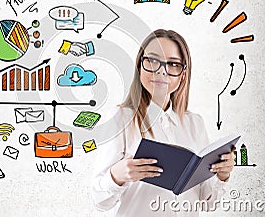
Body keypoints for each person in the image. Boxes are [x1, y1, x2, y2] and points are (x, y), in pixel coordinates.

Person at [92, 29, 235, 216]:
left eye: (173, 64)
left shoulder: (195, 123)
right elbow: (99, 202)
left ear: (183, 73)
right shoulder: (120, 118)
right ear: (139, 66)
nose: (161, 71)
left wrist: (222, 175)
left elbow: (207, 203)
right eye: (152, 60)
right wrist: (116, 176)